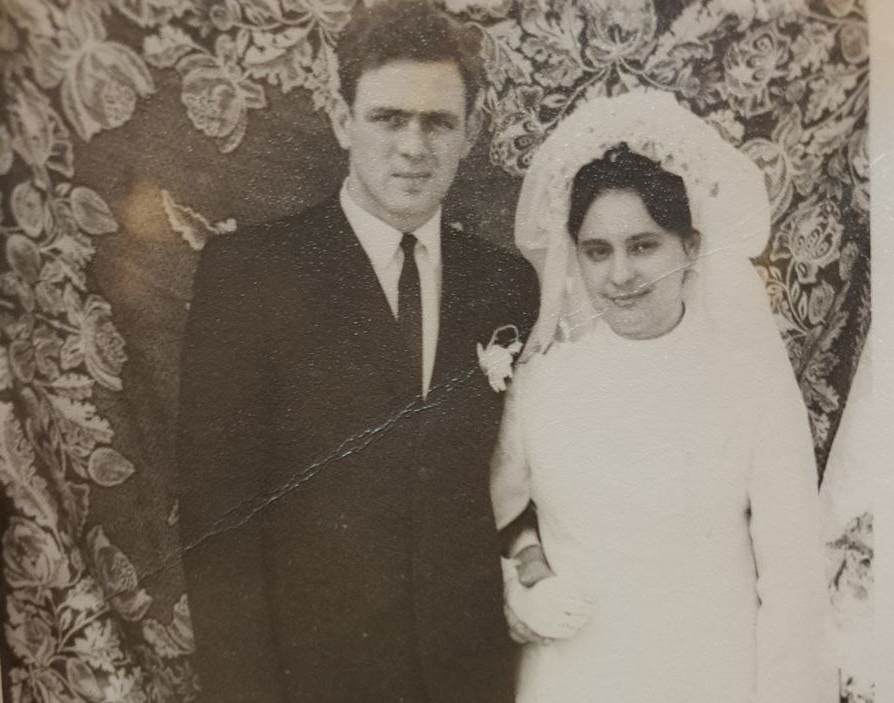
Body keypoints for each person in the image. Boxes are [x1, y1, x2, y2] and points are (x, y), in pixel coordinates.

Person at [176, 2, 538, 701]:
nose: (413, 146)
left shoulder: (506, 285)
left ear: (470, 133)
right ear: (344, 122)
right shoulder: (250, 274)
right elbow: (218, 528)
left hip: (471, 679)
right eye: (388, 118)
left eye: (439, 122)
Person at [491, 91, 833, 703]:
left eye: (644, 245)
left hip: (710, 678)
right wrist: (521, 570)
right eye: (597, 251)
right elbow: (484, 516)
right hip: (573, 679)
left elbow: (793, 579)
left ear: (691, 246)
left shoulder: (745, 379)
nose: (620, 274)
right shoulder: (543, 380)